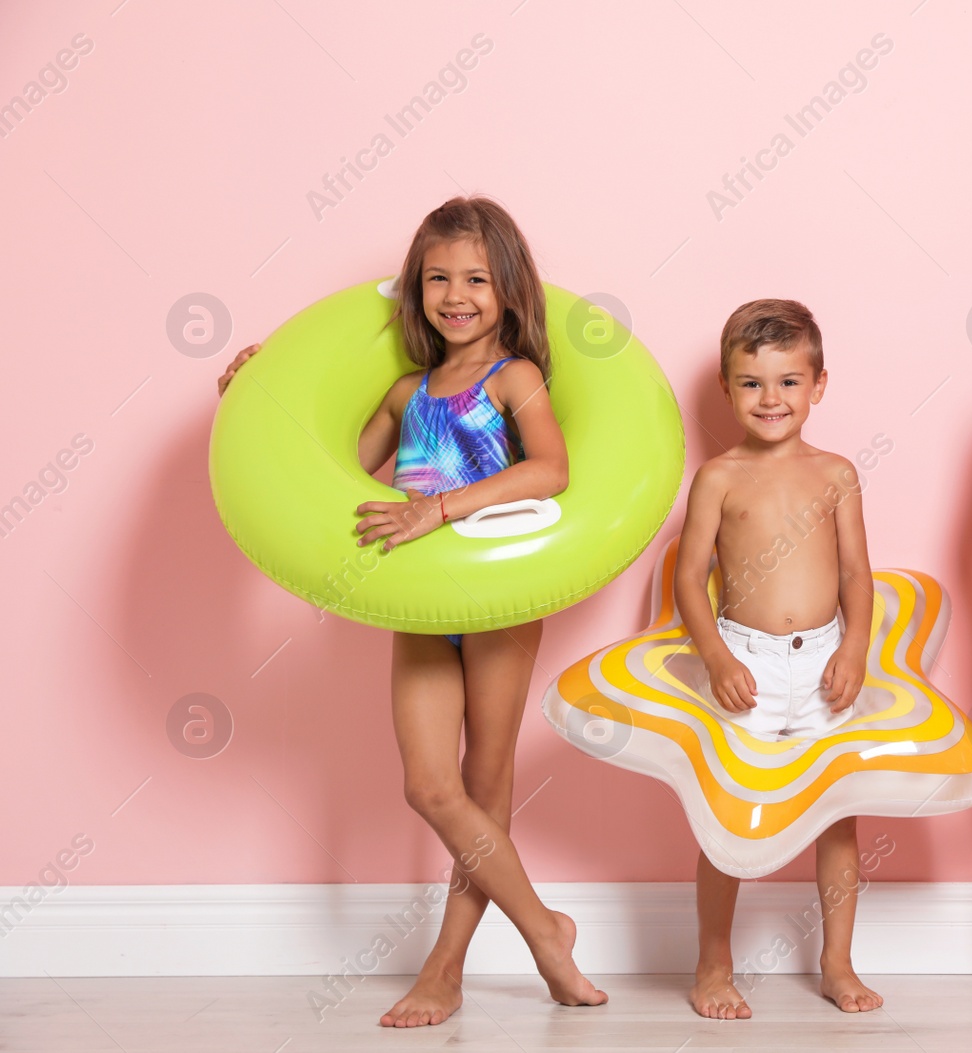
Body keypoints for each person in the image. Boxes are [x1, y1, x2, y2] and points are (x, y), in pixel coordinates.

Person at [216, 196, 606, 1027]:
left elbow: (551, 471)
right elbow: (333, 475)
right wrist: (263, 392)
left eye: (475, 278)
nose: (455, 294)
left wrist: (439, 508)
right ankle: (546, 928)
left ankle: (446, 968)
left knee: (484, 784)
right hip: (421, 604)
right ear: (416, 289)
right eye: (437, 278)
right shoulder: (406, 391)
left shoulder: (515, 377)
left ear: (507, 288)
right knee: (431, 785)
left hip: (499, 596)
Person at [673, 299, 881, 1019]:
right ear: (728, 389)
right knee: (729, 814)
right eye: (752, 383)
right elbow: (688, 576)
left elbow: (857, 574)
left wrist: (854, 645)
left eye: (789, 382)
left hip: (824, 660)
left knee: (839, 813)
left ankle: (837, 961)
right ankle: (712, 964)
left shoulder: (837, 474)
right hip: (747, 662)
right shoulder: (719, 477)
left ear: (819, 384)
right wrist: (716, 655)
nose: (771, 399)